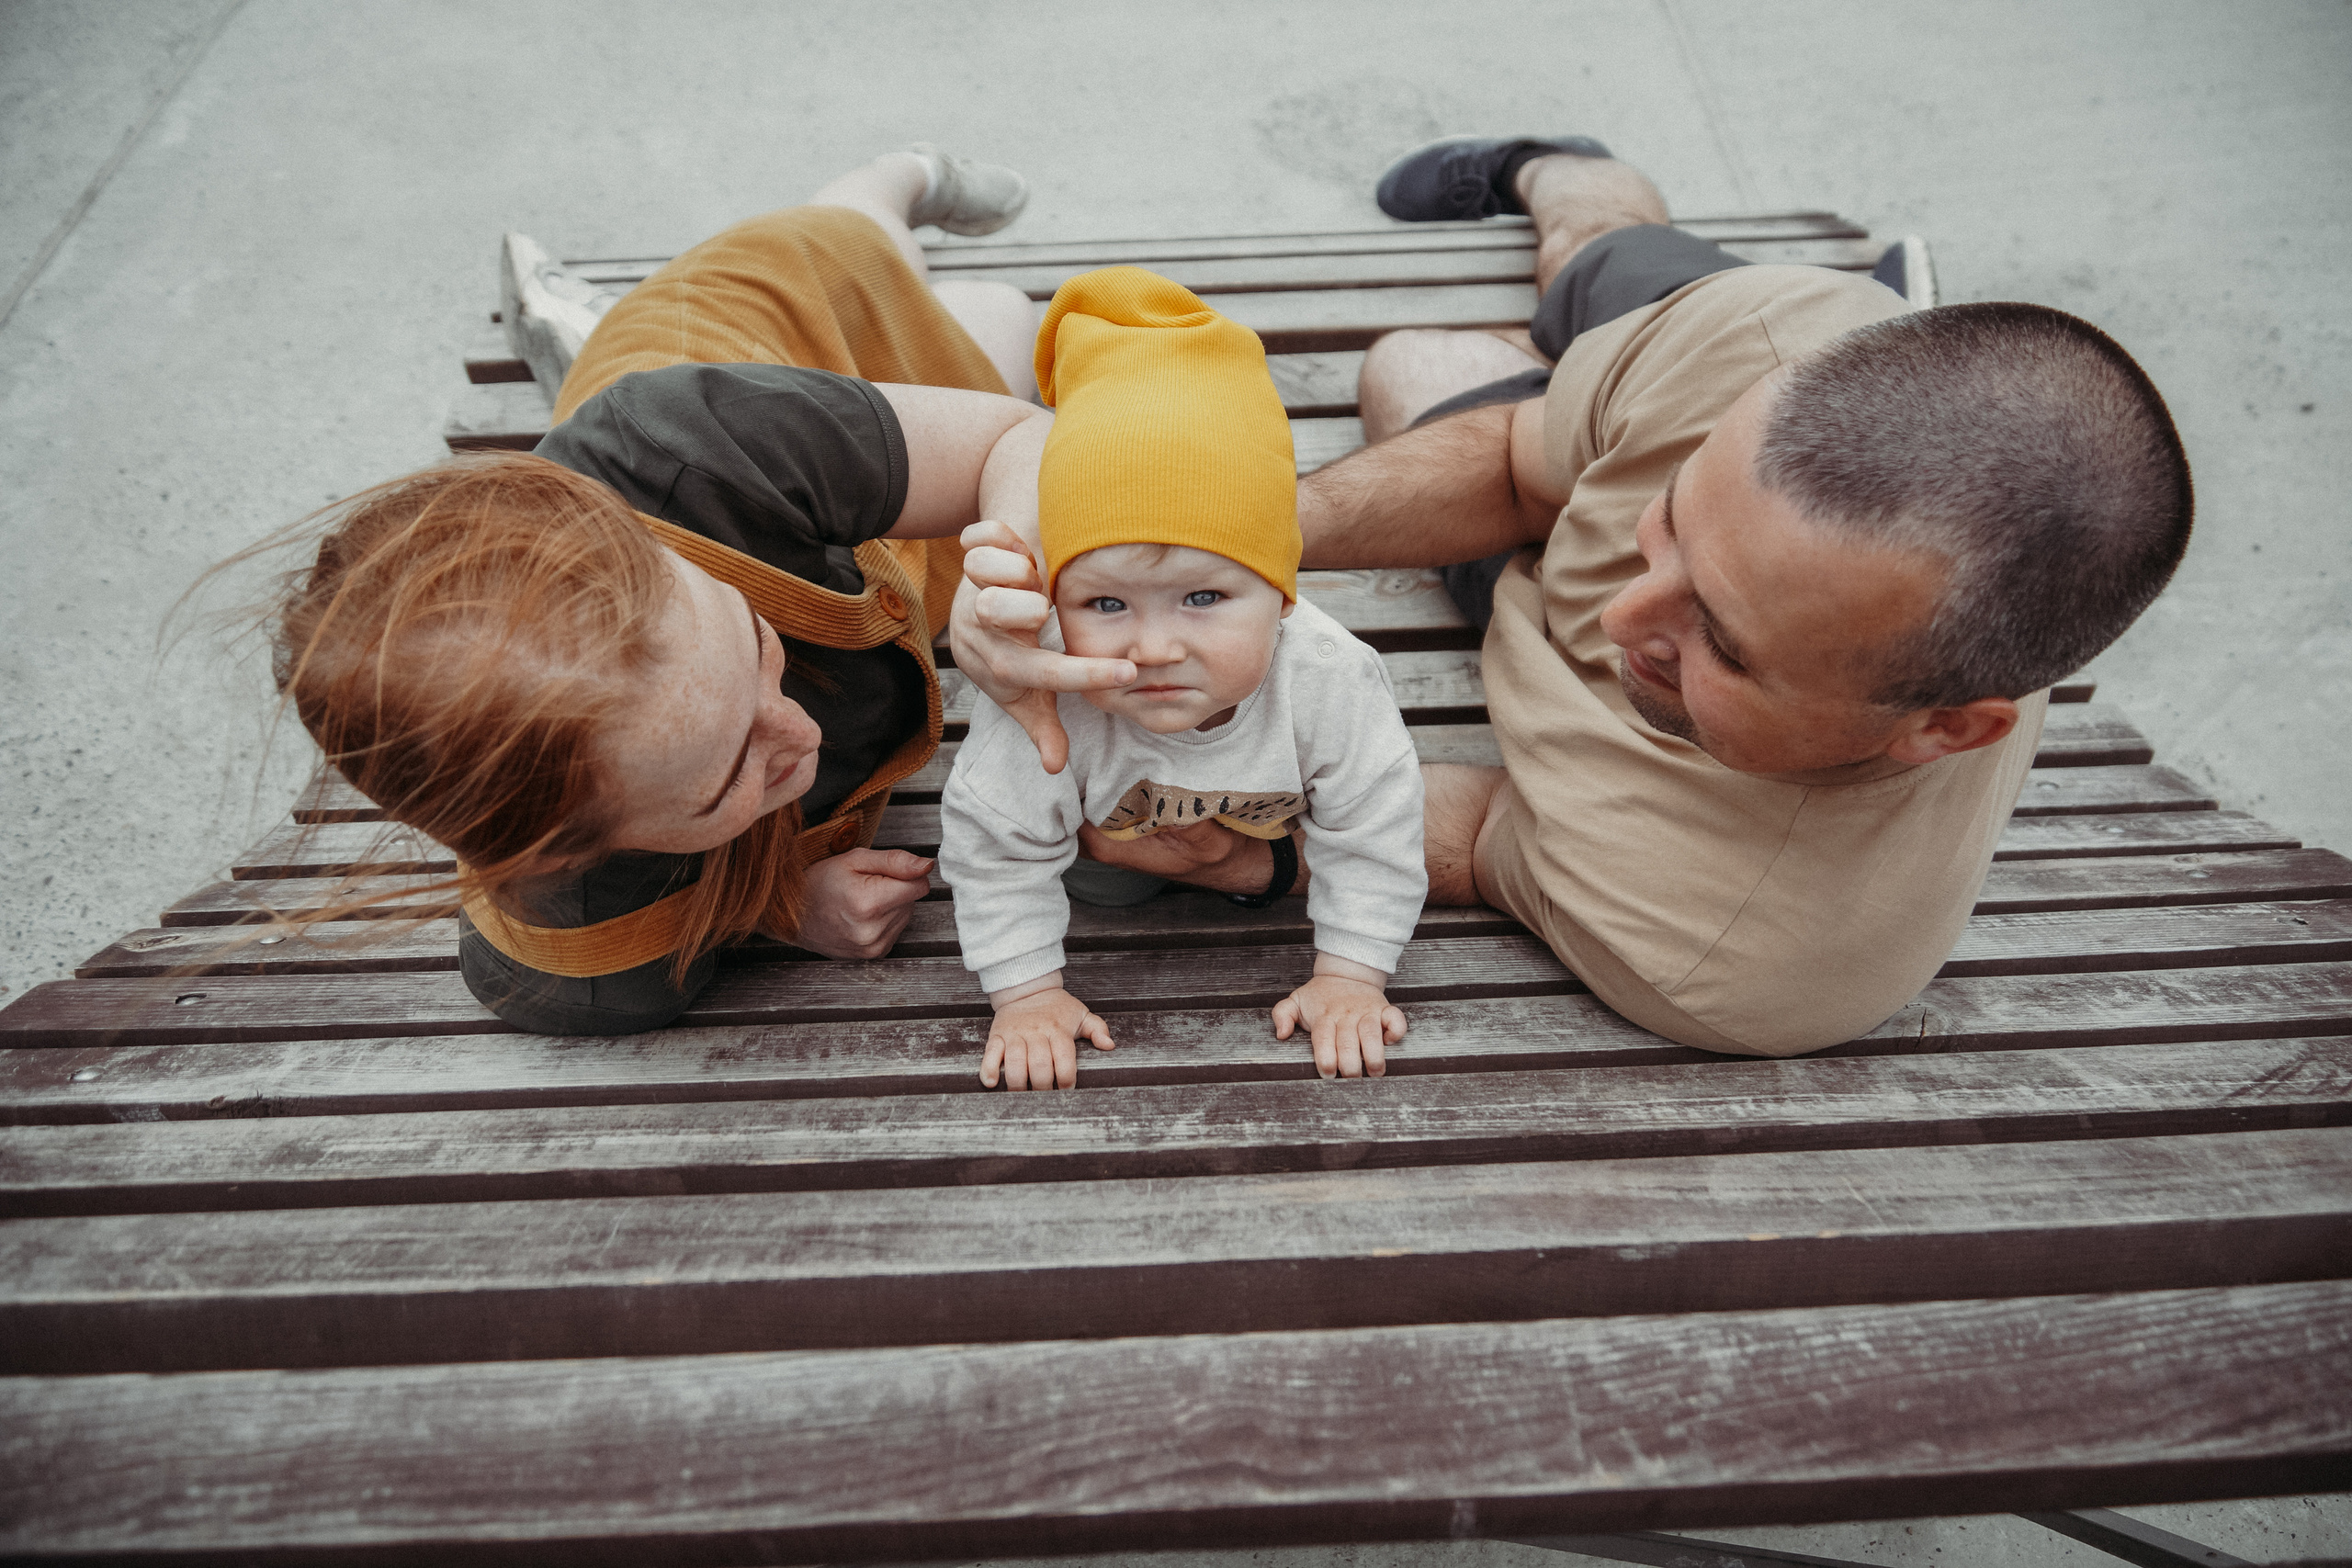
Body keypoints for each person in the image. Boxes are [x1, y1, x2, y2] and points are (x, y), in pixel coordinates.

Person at [952, 134, 2193, 1058]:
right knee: (1533, 294)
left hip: (1590, 621)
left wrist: (1228, 859)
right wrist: (1208, 549)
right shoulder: (1776, 345)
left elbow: (1436, 824)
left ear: (1948, 724)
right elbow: (1513, 461)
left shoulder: (1733, 949)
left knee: (1434, 365)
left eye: (1727, 645)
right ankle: (1555, 165)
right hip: (1685, 371)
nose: (1621, 618)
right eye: (1673, 524)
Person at [261, 147, 1052, 1035]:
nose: (803, 730)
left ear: (658, 549)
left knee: (965, 293)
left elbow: (1016, 441)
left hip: (726, 346)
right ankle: (584, 346)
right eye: (722, 785)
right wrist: (773, 907)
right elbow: (547, 970)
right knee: (992, 318)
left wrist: (1007, 582)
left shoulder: (696, 439)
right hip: (829, 509)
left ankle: (904, 174)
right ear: (565, 852)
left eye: (754, 644)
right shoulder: (587, 950)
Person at [940, 268, 1426, 1090]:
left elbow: (1374, 825)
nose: (1157, 644)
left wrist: (1352, 973)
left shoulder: (1329, 678)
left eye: (1204, 596)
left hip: (1267, 844)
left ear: (1279, 593)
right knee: (1109, 890)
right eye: (1106, 600)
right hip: (1090, 852)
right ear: (1057, 596)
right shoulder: (1049, 694)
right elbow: (997, 845)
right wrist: (1026, 996)